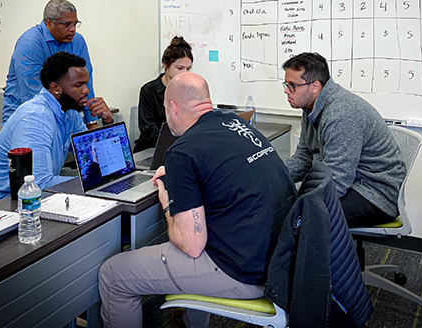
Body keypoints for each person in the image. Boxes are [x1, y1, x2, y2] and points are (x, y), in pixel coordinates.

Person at [98, 72, 297, 328]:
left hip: (243, 272)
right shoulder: (235, 123)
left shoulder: (183, 151)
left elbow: (191, 245)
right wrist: (184, 182)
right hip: (279, 257)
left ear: (172, 108)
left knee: (114, 274)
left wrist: (168, 198)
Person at [282, 52, 406, 228]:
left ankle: (320, 256)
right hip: (349, 180)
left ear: (315, 86)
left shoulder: (342, 115)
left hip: (374, 193)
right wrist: (278, 178)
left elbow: (337, 180)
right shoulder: (310, 107)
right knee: (286, 202)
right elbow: (304, 156)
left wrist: (293, 193)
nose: (287, 90)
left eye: (292, 85)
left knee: (300, 214)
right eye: (286, 84)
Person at [0, 52, 112, 207]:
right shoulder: (35, 117)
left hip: (38, 194)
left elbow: (92, 155)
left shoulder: (70, 111)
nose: (86, 91)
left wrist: (107, 122)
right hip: (3, 202)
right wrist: (99, 180)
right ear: (55, 88)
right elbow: (40, 183)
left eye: (86, 84)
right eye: (78, 85)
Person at [1, 0, 112, 129]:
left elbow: (85, 86)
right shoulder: (30, 43)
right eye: (66, 24)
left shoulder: (78, 41)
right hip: (27, 120)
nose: (73, 29)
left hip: (64, 118)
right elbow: (33, 95)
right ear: (49, 23)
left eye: (75, 24)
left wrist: (91, 122)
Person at [133, 36, 193, 152]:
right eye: (180, 68)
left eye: (188, 69)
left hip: (180, 148)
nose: (185, 74)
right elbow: (148, 131)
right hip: (152, 148)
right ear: (165, 65)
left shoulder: (189, 90)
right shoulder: (149, 90)